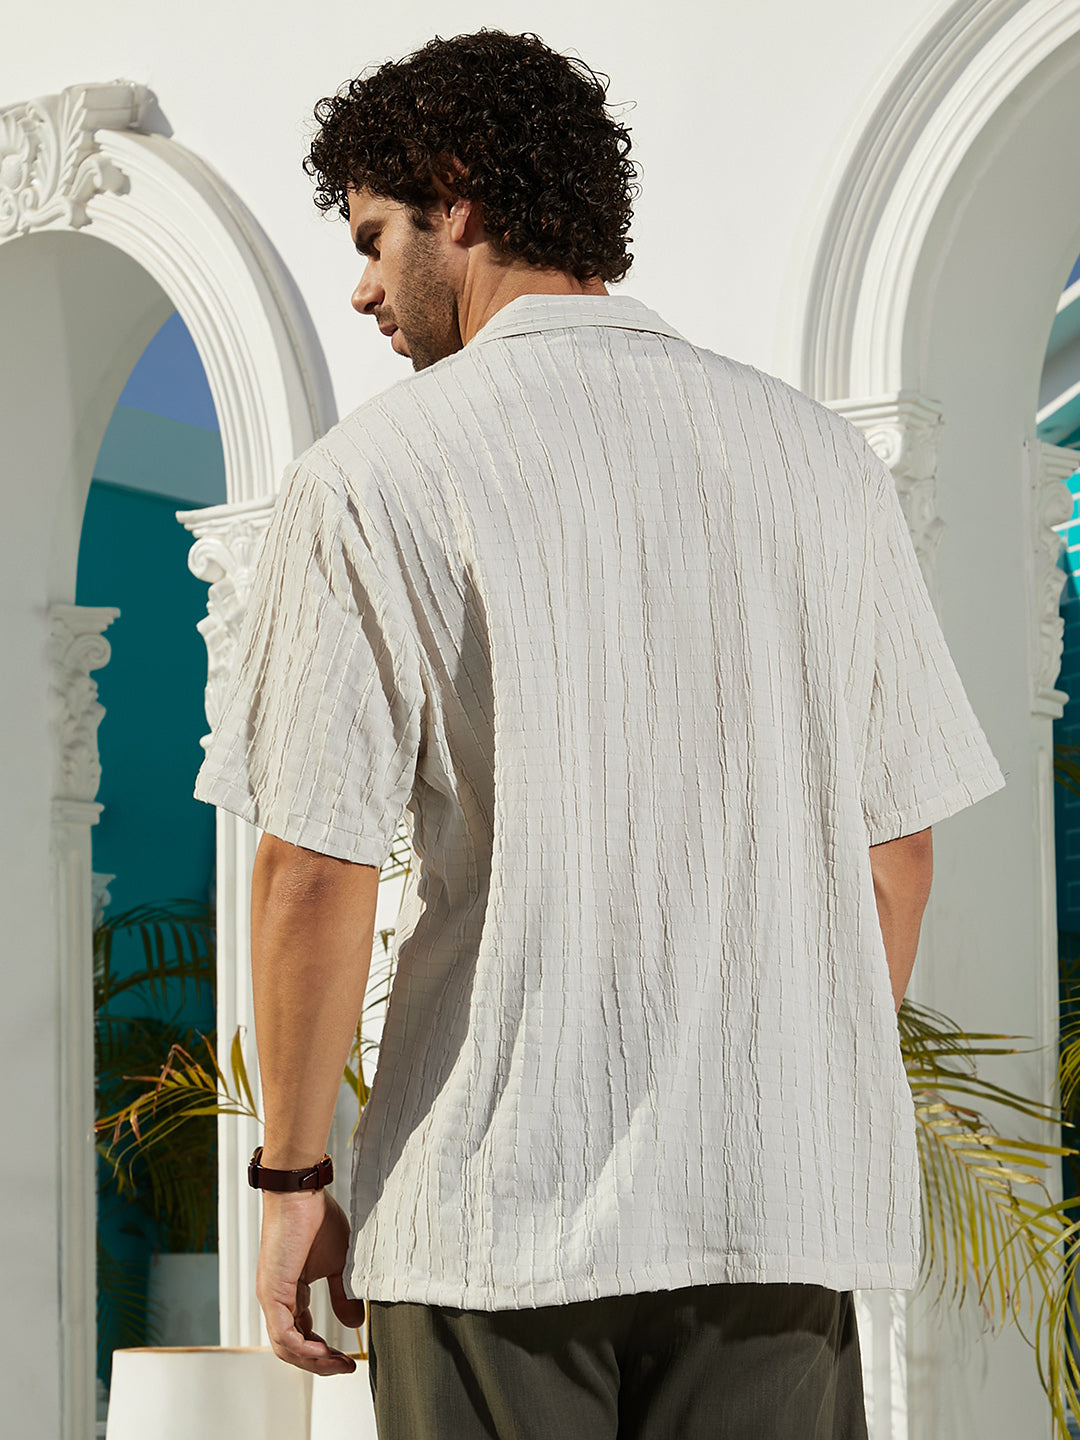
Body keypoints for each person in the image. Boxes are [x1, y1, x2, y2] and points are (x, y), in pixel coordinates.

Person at [193, 28, 1006, 1440]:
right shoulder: (820, 463)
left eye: (376, 238)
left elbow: (311, 869)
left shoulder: (378, 475)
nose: (363, 287)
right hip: (772, 1222)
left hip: (491, 1221)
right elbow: (897, 856)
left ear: (458, 196)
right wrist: (782, 1089)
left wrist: (291, 1182)